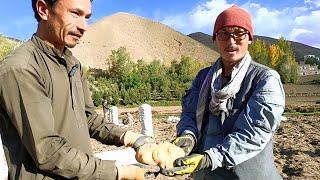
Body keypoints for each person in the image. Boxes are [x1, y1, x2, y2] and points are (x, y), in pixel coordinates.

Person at [0, 0, 183, 179]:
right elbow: (48, 151)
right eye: (75, 13)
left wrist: (132, 138)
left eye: (86, 17)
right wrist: (120, 172)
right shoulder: (21, 68)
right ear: (43, 9)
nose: (84, 26)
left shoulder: (73, 65)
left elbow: (89, 118)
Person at [165, 5, 285, 180]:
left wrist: (210, 158)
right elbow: (189, 114)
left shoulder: (265, 79)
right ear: (215, 38)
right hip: (206, 175)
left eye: (239, 33)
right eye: (224, 33)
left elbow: (254, 133)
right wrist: (188, 135)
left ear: (250, 38)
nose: (231, 41)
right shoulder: (203, 77)